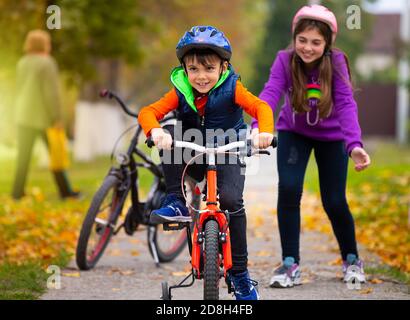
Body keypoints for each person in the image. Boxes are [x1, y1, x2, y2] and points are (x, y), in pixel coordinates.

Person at [138, 26, 274, 300]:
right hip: (195, 151)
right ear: (185, 70)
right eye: (193, 70)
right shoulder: (180, 90)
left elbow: (261, 108)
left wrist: (264, 132)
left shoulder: (233, 87)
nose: (201, 77)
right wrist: (156, 131)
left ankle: (241, 274)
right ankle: (176, 200)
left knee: (233, 201)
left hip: (227, 151)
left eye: (209, 69)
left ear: (223, 66)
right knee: (172, 132)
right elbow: (148, 112)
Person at [251, 5, 371, 288]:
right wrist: (260, 127)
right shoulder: (284, 60)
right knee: (290, 190)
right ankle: (290, 263)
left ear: (327, 43)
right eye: (302, 40)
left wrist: (354, 144)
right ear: (294, 37)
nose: (307, 47)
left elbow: (345, 103)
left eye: (316, 42)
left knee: (334, 200)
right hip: (294, 133)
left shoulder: (337, 62)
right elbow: (270, 93)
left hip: (334, 138)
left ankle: (351, 259)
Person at [12, 29, 79, 200]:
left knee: (23, 158)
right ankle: (65, 192)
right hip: (43, 117)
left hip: (23, 115)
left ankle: (16, 193)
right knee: (56, 154)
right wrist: (56, 117)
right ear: (44, 44)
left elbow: (18, 89)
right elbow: (51, 93)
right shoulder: (46, 62)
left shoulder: (23, 62)